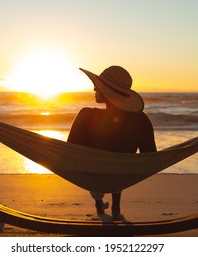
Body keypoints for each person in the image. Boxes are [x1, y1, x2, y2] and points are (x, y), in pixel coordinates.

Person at [67, 65, 157, 221]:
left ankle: (99, 201)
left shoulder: (86, 115)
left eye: (99, 85)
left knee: (103, 161)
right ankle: (115, 207)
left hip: (91, 176)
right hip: (121, 177)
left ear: (109, 92)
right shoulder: (141, 120)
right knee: (118, 163)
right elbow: (150, 158)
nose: (94, 87)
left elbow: (69, 152)